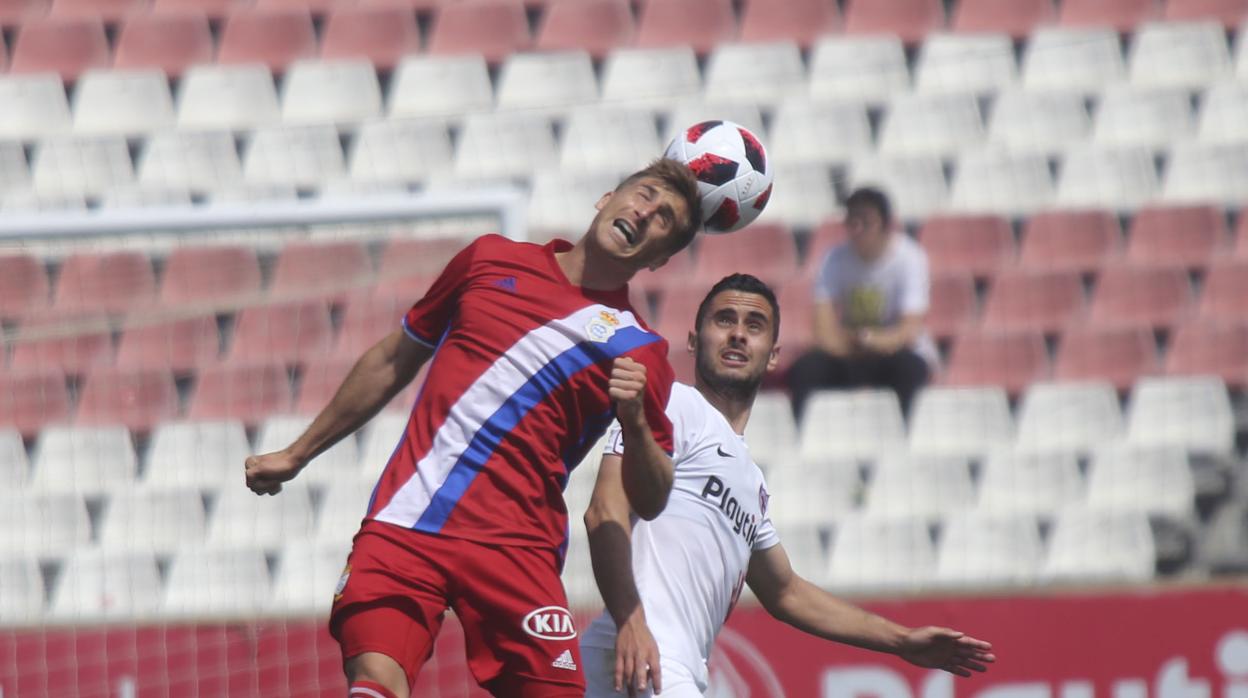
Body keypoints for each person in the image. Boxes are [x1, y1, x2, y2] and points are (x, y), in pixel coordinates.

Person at [243, 158, 704, 698]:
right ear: (607, 198)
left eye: (665, 219)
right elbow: (395, 358)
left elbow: (649, 499)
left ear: (661, 258)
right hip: (408, 522)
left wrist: (636, 425)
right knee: (373, 685)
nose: (646, 212)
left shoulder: (641, 352)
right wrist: (298, 454)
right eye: (643, 195)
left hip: (518, 549)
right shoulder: (488, 259)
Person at [581, 273, 994, 697]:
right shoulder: (674, 405)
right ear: (693, 340)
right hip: (643, 656)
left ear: (774, 355)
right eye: (724, 320)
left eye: (754, 325)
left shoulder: (751, 481)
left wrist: (901, 640)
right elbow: (604, 511)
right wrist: (631, 622)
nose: (738, 334)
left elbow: (786, 591)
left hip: (663, 664)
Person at [786, 187, 937, 420]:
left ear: (886, 226)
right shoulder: (833, 258)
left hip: (895, 353)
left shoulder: (910, 257)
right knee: (806, 370)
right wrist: (854, 344)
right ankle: (805, 433)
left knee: (910, 369)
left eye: (866, 222)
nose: (857, 230)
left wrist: (869, 340)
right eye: (851, 222)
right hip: (850, 352)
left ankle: (906, 434)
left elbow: (909, 330)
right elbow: (822, 329)